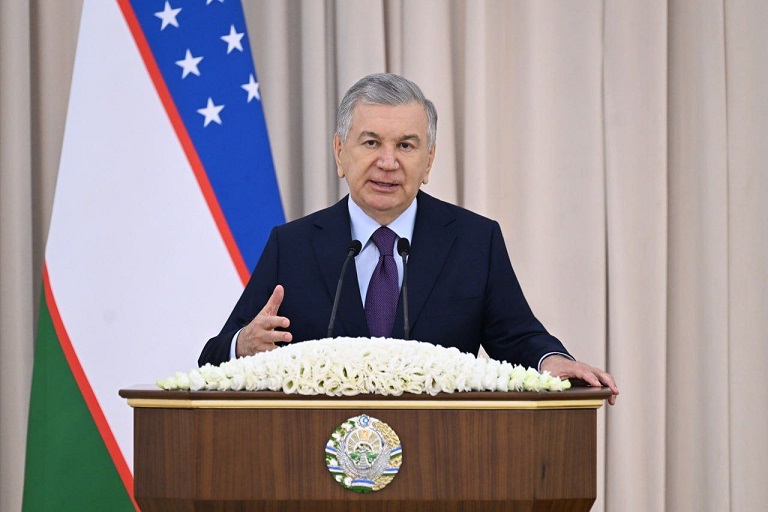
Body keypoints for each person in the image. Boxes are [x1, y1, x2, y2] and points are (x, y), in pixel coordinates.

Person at [199, 73, 619, 404]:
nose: (388, 162)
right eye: (371, 142)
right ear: (340, 152)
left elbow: (518, 337)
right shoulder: (292, 246)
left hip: (439, 460)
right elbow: (212, 359)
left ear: (429, 159)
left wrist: (553, 361)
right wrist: (242, 345)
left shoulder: (474, 241)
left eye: (405, 145)